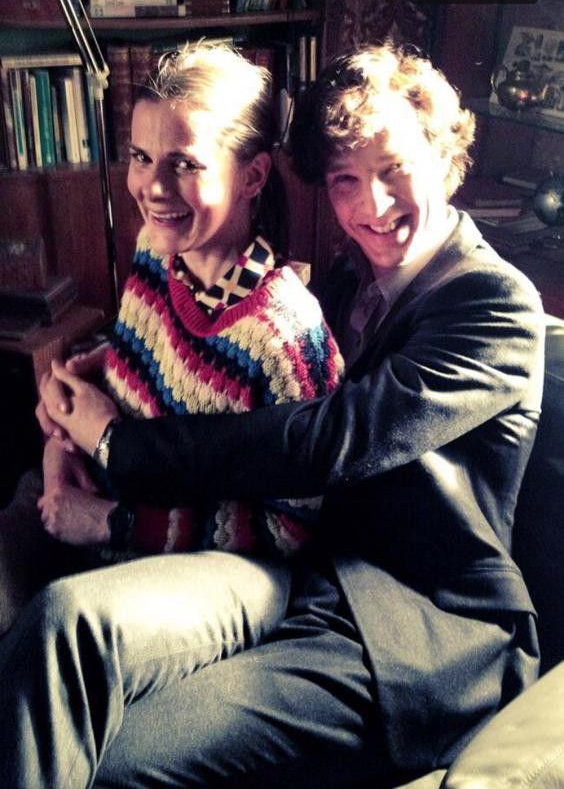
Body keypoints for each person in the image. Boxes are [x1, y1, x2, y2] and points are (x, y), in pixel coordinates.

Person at [3, 42, 544, 788]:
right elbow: (240, 372)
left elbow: (332, 438)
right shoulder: (356, 275)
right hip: (308, 580)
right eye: (346, 180)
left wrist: (119, 443)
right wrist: (102, 369)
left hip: (414, 629)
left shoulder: (495, 303)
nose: (372, 205)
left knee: (116, 757)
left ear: (446, 159)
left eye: (394, 169)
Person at [0, 44, 342, 633]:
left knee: (49, 626)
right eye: (141, 157)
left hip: (185, 564)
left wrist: (113, 521)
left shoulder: (284, 337)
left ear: (253, 175)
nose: (152, 187)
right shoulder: (156, 253)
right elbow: (141, 376)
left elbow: (292, 527)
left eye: (184, 163)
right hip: (85, 493)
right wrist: (61, 442)